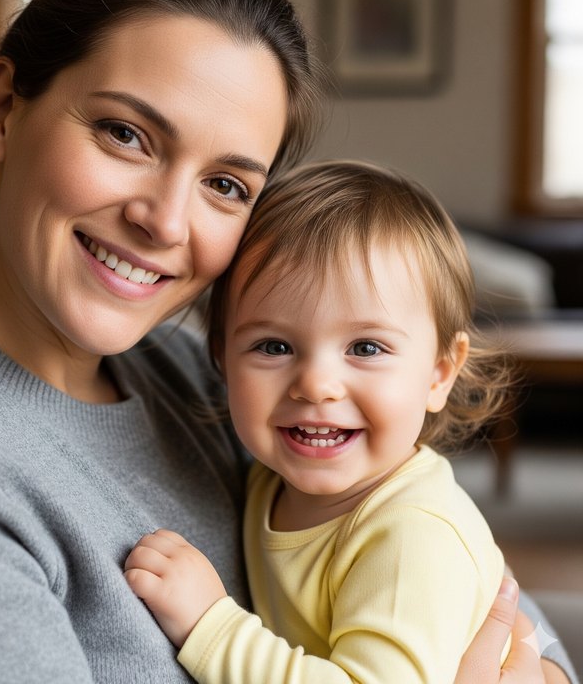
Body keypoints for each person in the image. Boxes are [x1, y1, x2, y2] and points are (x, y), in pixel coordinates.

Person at [0, 0, 572, 684]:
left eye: (225, 185)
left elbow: (496, 613)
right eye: (126, 135)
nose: (164, 221)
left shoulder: (199, 376)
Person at [125, 160, 579, 684]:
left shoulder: (411, 535)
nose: (316, 384)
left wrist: (211, 626)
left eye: (366, 347)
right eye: (274, 346)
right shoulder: (268, 478)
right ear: (222, 359)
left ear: (438, 373)